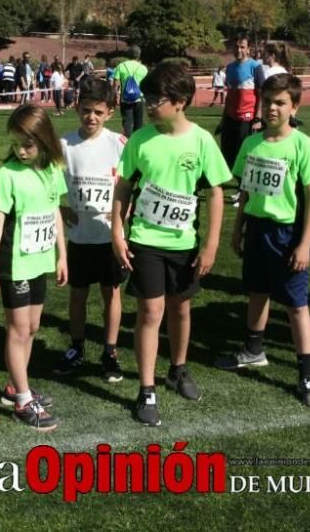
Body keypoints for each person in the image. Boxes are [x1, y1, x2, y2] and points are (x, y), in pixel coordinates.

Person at [112, 63, 230, 426]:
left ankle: (178, 369)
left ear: (180, 102)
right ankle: (146, 388)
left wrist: (210, 245)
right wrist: (117, 229)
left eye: (155, 99)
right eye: (147, 98)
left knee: (181, 309)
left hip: (185, 243)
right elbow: (124, 187)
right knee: (150, 313)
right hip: (144, 240)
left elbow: (215, 192)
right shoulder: (140, 139)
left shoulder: (201, 140)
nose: (148, 105)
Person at [218, 74, 310, 409]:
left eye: (280, 102)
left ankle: (307, 374)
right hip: (257, 230)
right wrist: (238, 229)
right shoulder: (252, 144)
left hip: (287, 235)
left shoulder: (302, 145)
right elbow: (246, 190)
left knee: (296, 305)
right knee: (257, 291)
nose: (272, 109)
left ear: (294, 106)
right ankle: (253, 350)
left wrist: (305, 244)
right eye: (268, 102)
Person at [0, 104, 68, 432]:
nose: (21, 151)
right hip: (14, 263)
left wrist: (61, 254)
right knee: (18, 329)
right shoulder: (9, 174)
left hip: (39, 261)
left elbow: (54, 211)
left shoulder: (53, 169)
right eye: (16, 144)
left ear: (44, 140)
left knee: (32, 327)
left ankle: (17, 385)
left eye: (27, 144)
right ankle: (24, 401)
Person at [54, 77, 128, 382]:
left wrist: (121, 225)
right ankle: (77, 346)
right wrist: (61, 207)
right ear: (77, 108)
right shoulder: (64, 145)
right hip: (80, 236)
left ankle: (109, 351)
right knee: (78, 294)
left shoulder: (119, 144)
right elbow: (49, 184)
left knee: (111, 294)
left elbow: (129, 186)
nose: (91, 117)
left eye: (98, 111)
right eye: (86, 110)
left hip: (109, 237)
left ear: (110, 112)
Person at [221, 36, 265, 206]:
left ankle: (245, 193)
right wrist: (223, 118)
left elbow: (261, 93)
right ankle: (241, 187)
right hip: (230, 118)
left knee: (245, 156)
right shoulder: (230, 68)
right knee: (229, 156)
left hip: (247, 119)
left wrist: (258, 117)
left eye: (242, 47)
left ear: (248, 49)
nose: (239, 50)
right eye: (236, 47)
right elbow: (230, 95)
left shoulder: (255, 67)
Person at [112, 45, 149, 137]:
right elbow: (147, 85)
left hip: (125, 98)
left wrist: (114, 96)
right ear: (139, 55)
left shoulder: (121, 66)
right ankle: (137, 142)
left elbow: (116, 84)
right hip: (139, 98)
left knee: (127, 122)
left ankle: (126, 142)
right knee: (139, 123)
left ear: (128, 54)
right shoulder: (143, 68)